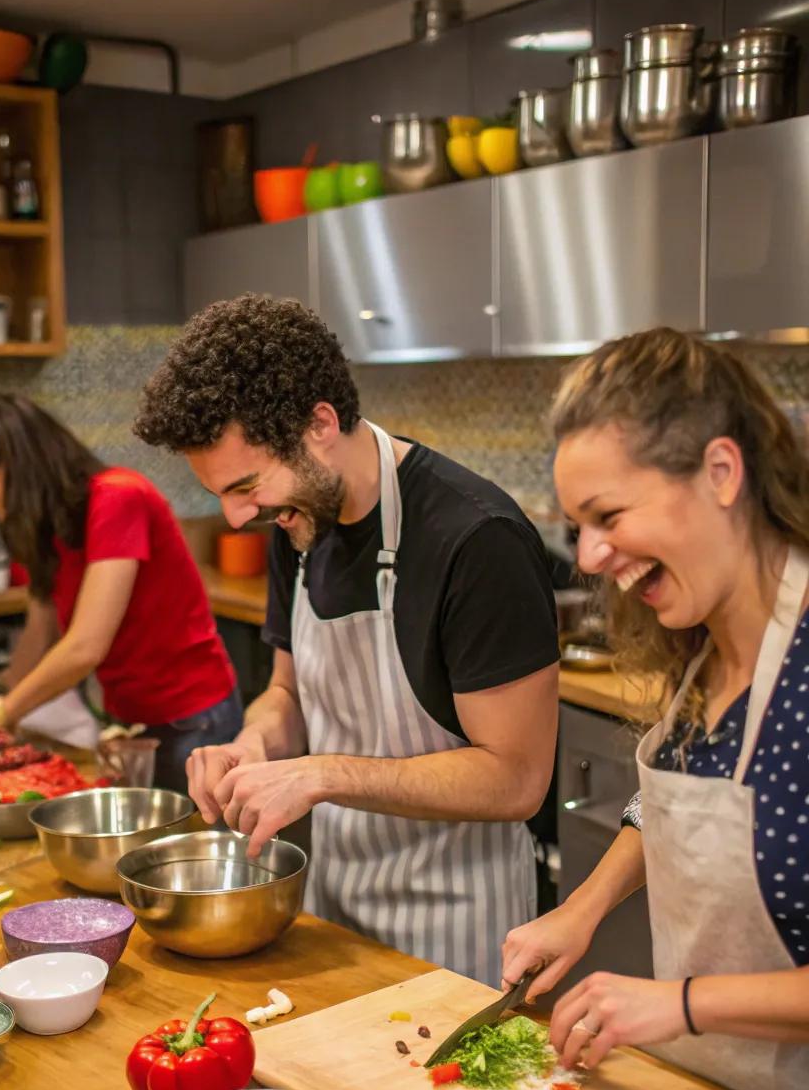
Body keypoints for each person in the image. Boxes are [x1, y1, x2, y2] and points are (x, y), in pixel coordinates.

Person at [135, 295, 560, 984]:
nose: (238, 516)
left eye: (246, 485)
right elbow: (286, 691)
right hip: (330, 917)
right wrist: (252, 747)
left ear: (320, 424)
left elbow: (517, 780)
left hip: (456, 933)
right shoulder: (297, 525)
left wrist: (321, 772)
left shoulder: (476, 539)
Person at [502, 329, 809, 1090]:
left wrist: (680, 1004)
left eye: (608, 516)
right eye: (579, 528)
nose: (593, 556)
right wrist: (583, 909)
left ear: (719, 472)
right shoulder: (705, 645)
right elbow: (678, 801)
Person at [0, 393, 242, 794]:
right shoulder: (40, 524)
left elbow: (86, 644)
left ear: (14, 466)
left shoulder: (117, 497)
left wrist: (4, 710)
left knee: (195, 847)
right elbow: (41, 631)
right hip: (127, 720)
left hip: (193, 719)